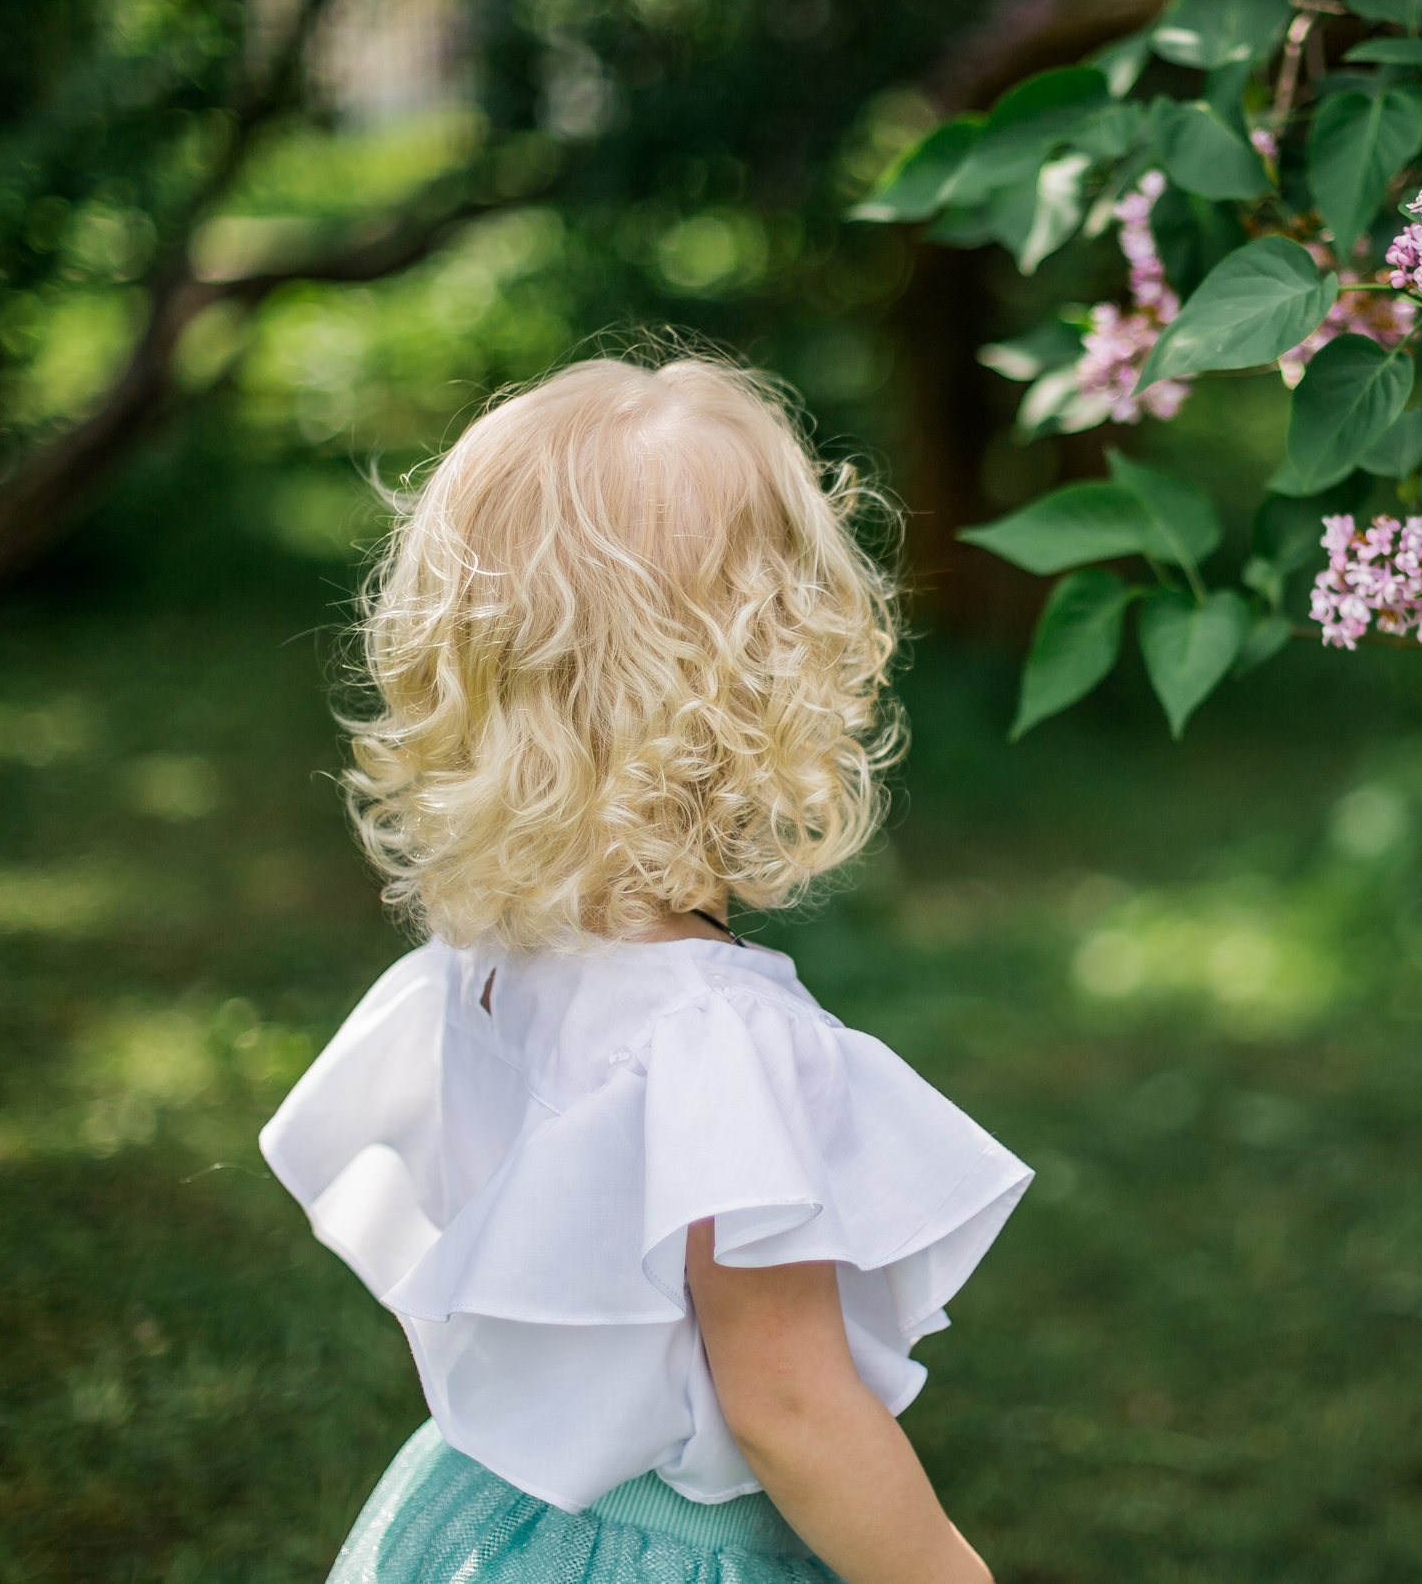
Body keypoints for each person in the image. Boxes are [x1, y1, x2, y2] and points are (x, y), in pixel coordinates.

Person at [260, 353, 1031, 1584]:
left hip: (498, 1514)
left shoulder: (486, 959)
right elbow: (791, 1413)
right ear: (782, 674)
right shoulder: (711, 1038)